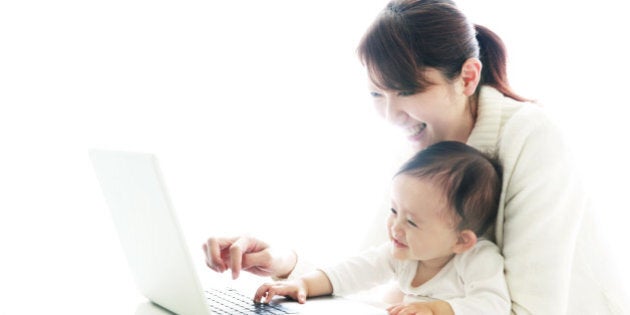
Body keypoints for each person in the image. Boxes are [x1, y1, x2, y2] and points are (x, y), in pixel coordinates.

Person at [203, 0, 627, 313]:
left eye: (407, 91)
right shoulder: (426, 147)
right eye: (376, 93)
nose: (390, 114)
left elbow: (528, 308)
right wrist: (282, 262)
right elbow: (378, 261)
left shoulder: (531, 138)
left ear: (468, 77)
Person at [254, 141, 510, 314]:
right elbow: (354, 271)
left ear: (461, 241)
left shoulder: (477, 259)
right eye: (393, 211)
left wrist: (437, 309)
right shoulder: (403, 254)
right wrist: (305, 285)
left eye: (411, 222)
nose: (395, 228)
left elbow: (494, 305)